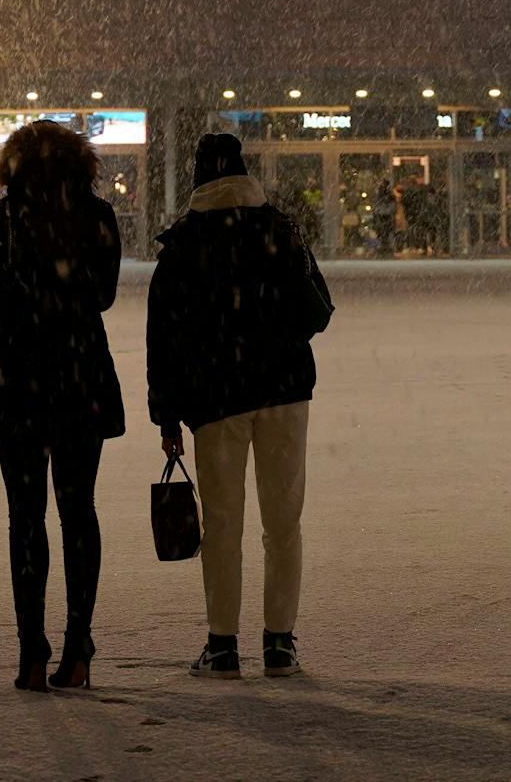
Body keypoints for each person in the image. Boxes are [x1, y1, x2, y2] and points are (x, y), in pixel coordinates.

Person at [148, 133, 334, 678]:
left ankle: (223, 646)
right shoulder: (280, 229)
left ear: (198, 177)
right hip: (283, 392)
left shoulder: (183, 244)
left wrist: (166, 414)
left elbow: (164, 339)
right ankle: (279, 643)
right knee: (283, 523)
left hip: (215, 398)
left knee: (222, 526)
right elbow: (317, 313)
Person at [0, 120, 124, 692]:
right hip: (80, 377)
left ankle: (31, 651)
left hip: (20, 380)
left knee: (25, 518)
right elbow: (104, 293)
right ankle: (78, 648)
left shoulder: (3, 218)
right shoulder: (97, 215)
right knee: (79, 512)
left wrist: (15, 293)